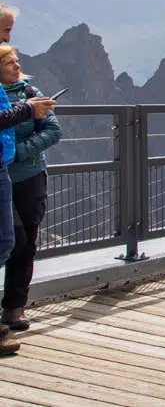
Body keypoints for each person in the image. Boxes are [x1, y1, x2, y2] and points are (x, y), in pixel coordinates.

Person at [1, 44, 61, 333]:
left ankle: (14, 308)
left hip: (30, 176)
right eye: (8, 62)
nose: (16, 66)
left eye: (16, 61)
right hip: (4, 178)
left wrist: (20, 151)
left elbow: (53, 130)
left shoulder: (30, 93)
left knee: (27, 243)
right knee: (13, 241)